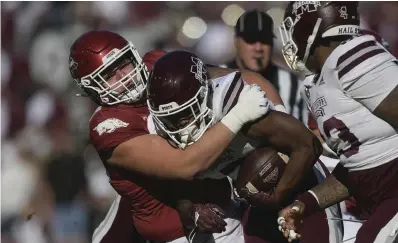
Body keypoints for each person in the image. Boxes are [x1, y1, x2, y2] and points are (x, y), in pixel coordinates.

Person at [68, 30, 275, 243]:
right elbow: (187, 165)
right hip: (178, 235)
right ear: (92, 89)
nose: (124, 77)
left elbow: (243, 79)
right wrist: (239, 115)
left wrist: (280, 112)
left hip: (227, 207)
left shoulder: (157, 67)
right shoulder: (109, 126)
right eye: (109, 75)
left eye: (123, 64)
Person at [146, 50, 342, 243]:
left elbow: (308, 145)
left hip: (302, 186)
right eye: (171, 119)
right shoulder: (161, 133)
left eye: (185, 113)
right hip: (256, 203)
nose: (179, 126)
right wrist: (194, 212)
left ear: (203, 96)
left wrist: (277, 195)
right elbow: (182, 188)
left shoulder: (234, 104)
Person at [277, 2, 398, 243]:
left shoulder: (351, 56)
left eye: (293, 28)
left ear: (310, 26)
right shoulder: (318, 83)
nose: (289, 39)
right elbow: (360, 165)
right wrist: (305, 203)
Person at [223, 9, 308, 123]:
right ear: (236, 41)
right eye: (251, 40)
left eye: (265, 40)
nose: (258, 48)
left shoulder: (293, 84)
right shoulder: (217, 79)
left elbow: (301, 134)